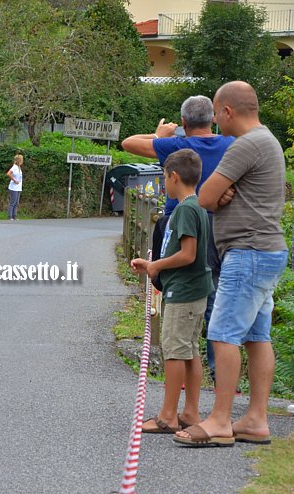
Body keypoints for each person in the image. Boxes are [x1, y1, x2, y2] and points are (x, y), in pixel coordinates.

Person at [174, 81, 288, 448]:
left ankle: (220, 420)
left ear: (226, 111)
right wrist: (220, 195)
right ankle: (255, 418)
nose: (216, 121)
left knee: (223, 333)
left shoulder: (247, 145)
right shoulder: (268, 141)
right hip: (267, 250)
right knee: (257, 336)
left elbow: (204, 196)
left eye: (217, 113)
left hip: (247, 252)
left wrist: (218, 197)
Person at [121, 95, 235, 384]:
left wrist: (160, 135)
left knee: (179, 287)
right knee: (217, 297)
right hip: (220, 225)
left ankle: (183, 355)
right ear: (212, 120)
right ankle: (219, 375)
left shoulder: (177, 146)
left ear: (184, 122)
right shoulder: (229, 145)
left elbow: (129, 142)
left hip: (182, 222)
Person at [130, 149, 214, 434]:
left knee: (175, 352)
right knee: (190, 351)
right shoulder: (197, 206)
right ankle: (190, 412)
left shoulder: (185, 210)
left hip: (183, 291)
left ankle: (168, 415)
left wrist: (157, 266)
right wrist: (154, 266)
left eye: (164, 178)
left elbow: (188, 254)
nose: (163, 184)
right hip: (194, 289)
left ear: (174, 177)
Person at [7, 153, 23, 220]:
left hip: (18, 188)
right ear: (19, 160)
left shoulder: (19, 168)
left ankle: (14, 216)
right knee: (12, 202)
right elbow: (8, 174)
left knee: (16, 202)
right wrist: (14, 180)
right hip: (13, 188)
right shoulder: (14, 167)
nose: (22, 161)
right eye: (22, 160)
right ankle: (10, 216)